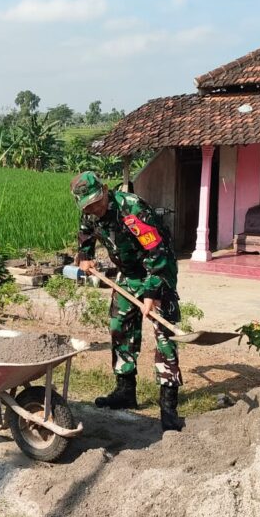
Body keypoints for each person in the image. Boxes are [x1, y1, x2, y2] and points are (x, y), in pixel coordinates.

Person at [71, 171, 183, 432]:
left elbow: (158, 252)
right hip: (127, 274)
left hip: (157, 272)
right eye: (87, 205)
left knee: (164, 335)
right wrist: (85, 255)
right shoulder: (89, 211)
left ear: (106, 190)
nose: (94, 209)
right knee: (120, 326)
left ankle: (168, 408)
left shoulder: (132, 209)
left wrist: (151, 293)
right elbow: (86, 232)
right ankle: (125, 391)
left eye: (97, 202)